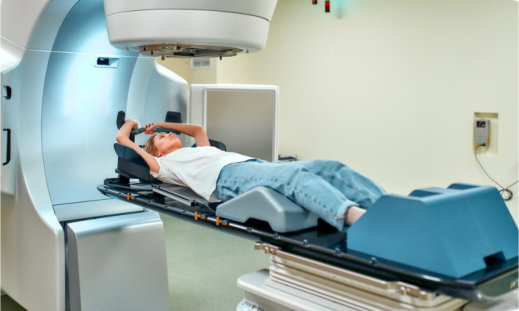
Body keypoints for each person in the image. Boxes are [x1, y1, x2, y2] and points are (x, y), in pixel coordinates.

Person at [116, 120, 386, 231]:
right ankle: (358, 221)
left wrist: (161, 124)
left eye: (169, 133)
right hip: (227, 178)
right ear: (156, 152)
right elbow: (122, 138)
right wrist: (134, 126)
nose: (169, 135)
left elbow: (197, 129)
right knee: (295, 179)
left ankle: (388, 207)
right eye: (162, 137)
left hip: (249, 164)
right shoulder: (166, 166)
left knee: (329, 168)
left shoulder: (201, 148)